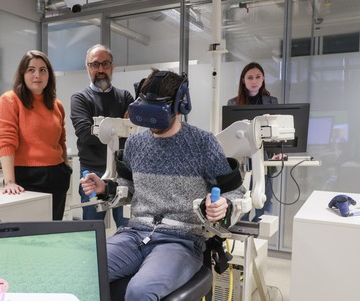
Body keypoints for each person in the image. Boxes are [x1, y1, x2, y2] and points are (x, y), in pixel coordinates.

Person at [81, 69, 245, 300]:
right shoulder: (135, 144)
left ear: (179, 106)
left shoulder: (203, 143)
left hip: (182, 240)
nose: (150, 120)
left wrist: (224, 205)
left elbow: (236, 190)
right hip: (134, 233)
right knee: (82, 270)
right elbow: (128, 187)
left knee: (139, 291)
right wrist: (105, 188)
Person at [0, 50, 72, 221]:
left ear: (49, 75)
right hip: (26, 179)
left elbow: (61, 141)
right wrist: (9, 182)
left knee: (54, 231)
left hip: (57, 176)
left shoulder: (56, 105)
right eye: (31, 70)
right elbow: (6, 142)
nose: (37, 75)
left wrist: (66, 168)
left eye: (43, 70)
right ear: (22, 73)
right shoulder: (10, 100)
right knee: (30, 235)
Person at [70, 44, 134, 227]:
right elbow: (85, 135)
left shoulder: (125, 97)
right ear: (88, 67)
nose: (100, 69)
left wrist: (102, 128)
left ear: (112, 66)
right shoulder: (80, 98)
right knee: (92, 228)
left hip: (123, 172)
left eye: (105, 64)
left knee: (127, 226)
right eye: (95, 64)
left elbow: (131, 134)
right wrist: (119, 126)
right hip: (92, 171)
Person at [228, 62, 278, 222]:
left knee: (262, 202)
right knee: (241, 204)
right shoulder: (233, 104)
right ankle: (241, 242)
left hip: (265, 160)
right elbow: (231, 135)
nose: (254, 81)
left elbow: (276, 132)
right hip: (241, 160)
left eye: (258, 77)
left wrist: (278, 152)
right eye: (250, 77)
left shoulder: (272, 102)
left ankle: (259, 240)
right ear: (243, 80)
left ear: (263, 79)